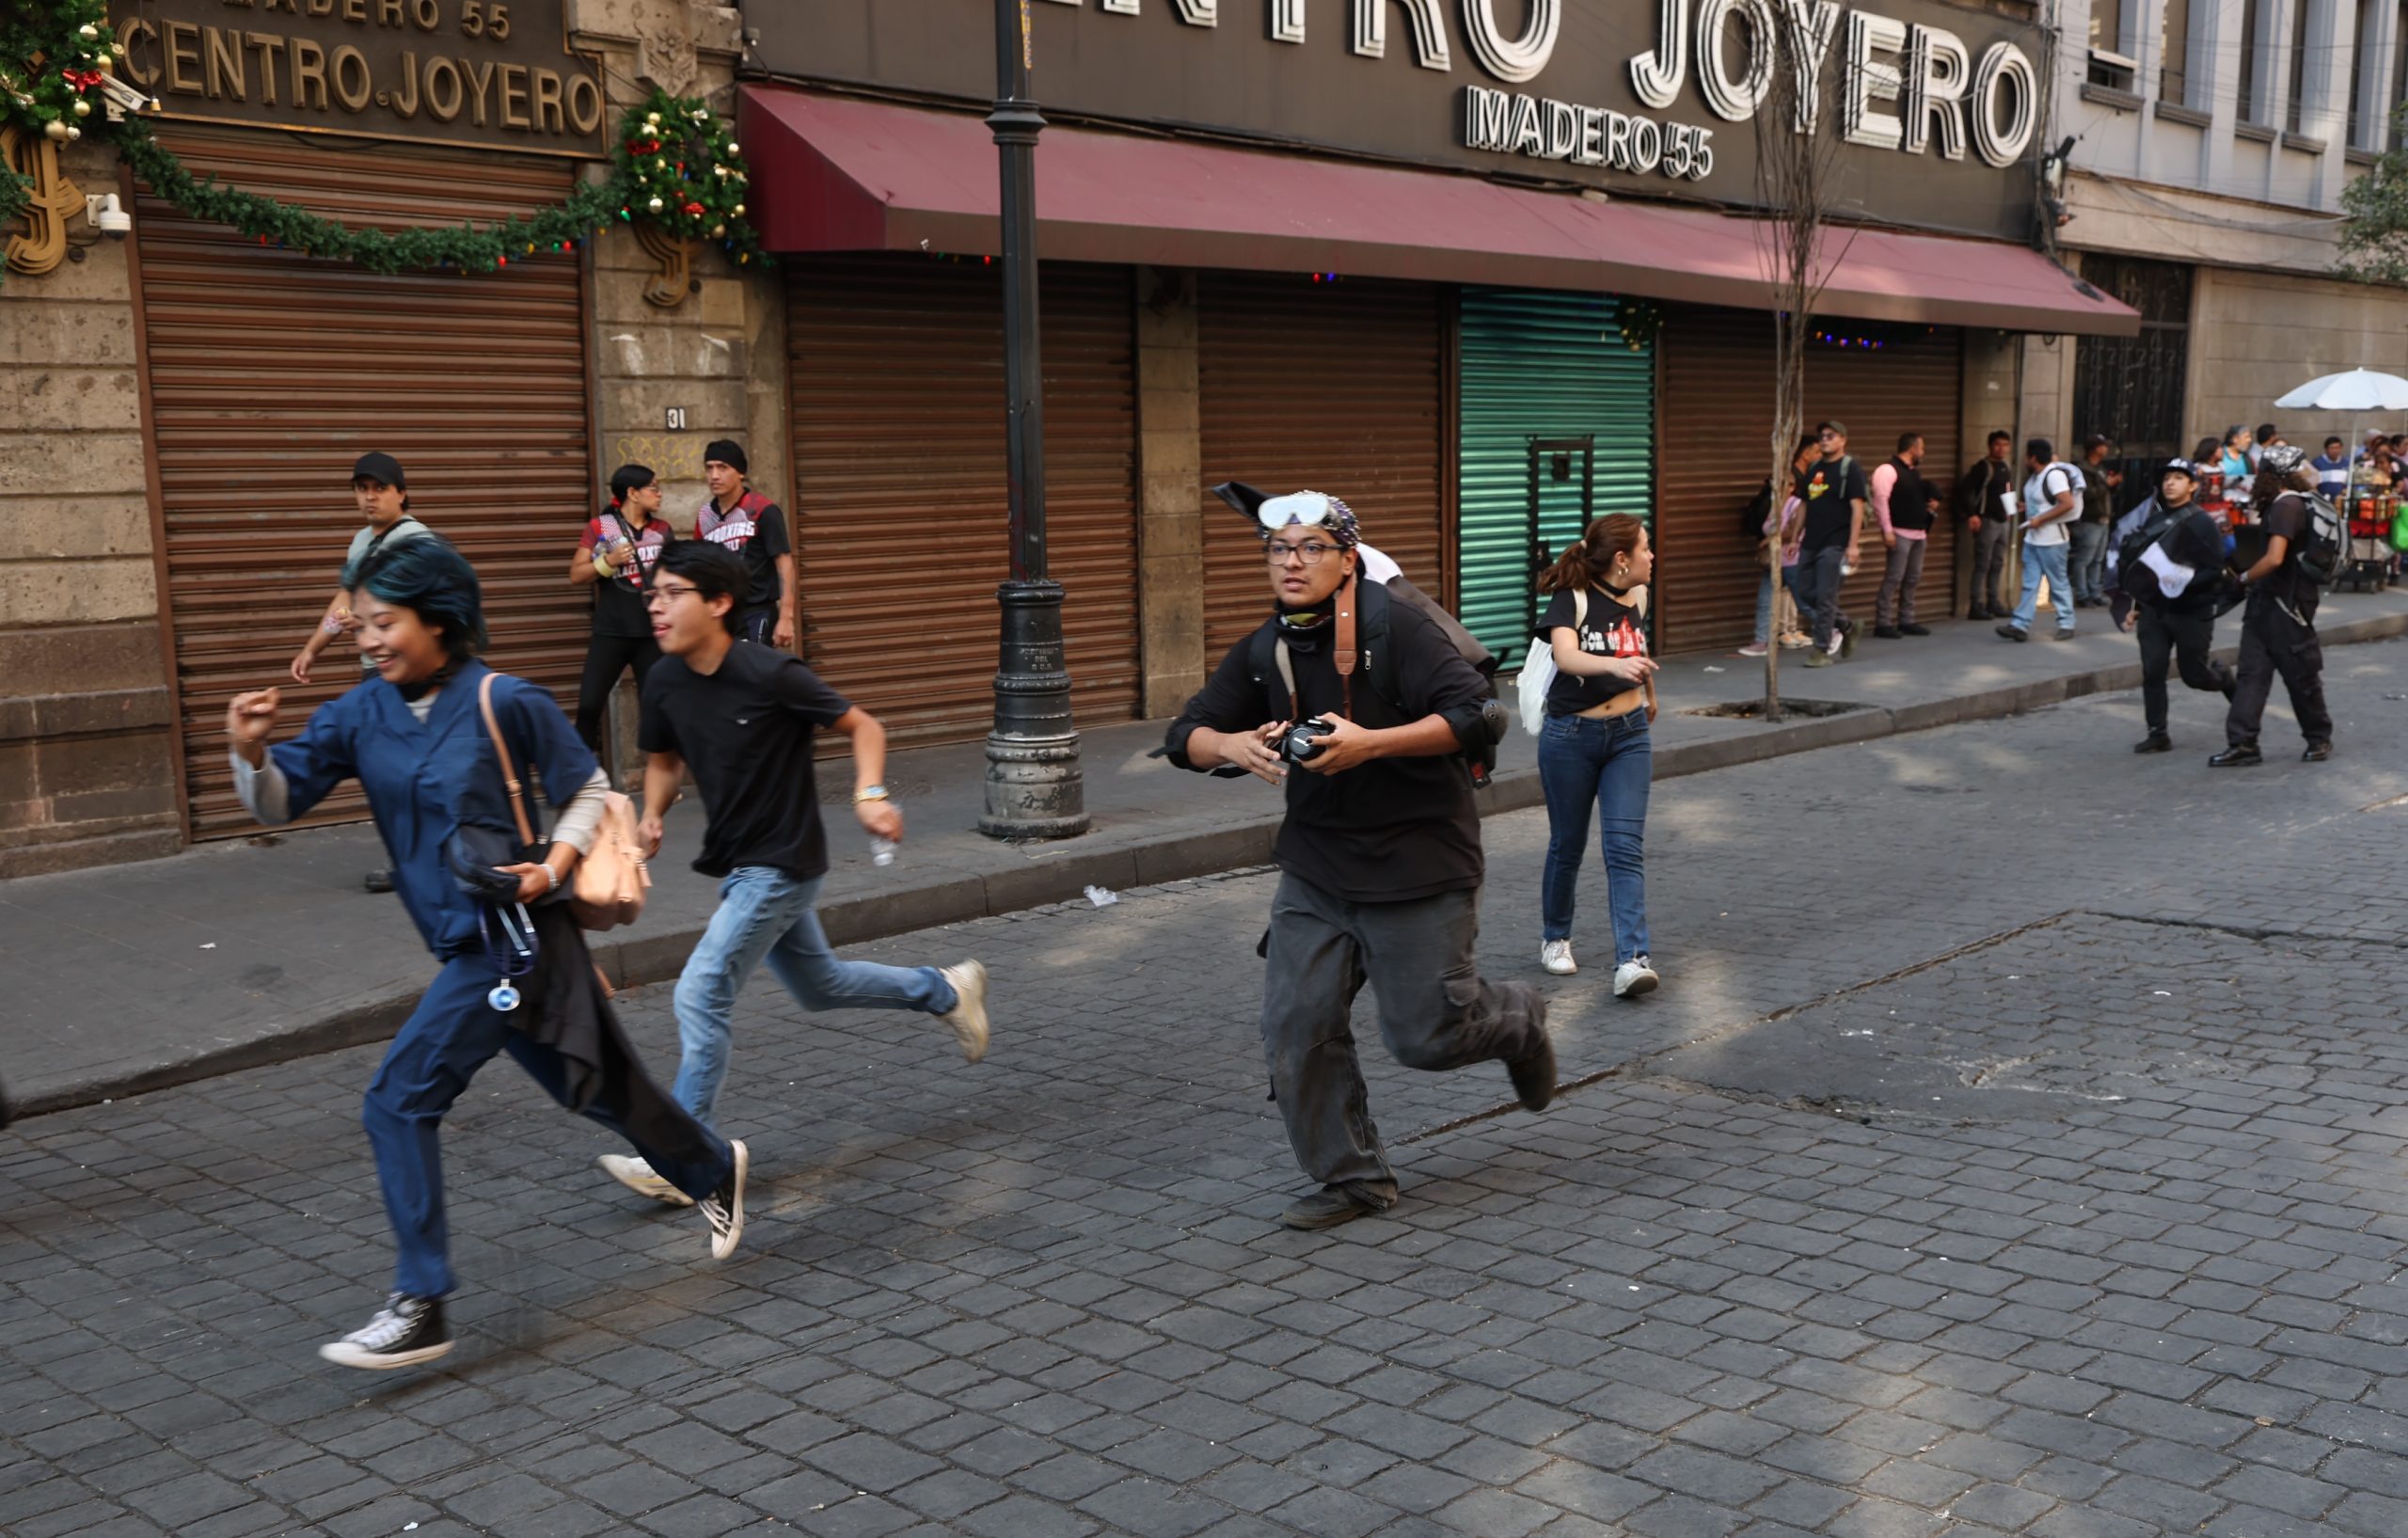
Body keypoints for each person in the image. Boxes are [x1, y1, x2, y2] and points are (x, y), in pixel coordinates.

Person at [226, 537, 748, 1370]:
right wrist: (250, 751)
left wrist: (554, 866)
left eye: (383, 622)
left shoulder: (505, 698)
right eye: (359, 625)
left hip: (514, 941)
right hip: (473, 946)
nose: (368, 640)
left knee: (397, 1100)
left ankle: (421, 1301)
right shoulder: (361, 712)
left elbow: (584, 790)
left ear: (438, 618)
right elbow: (280, 801)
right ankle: (712, 1165)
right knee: (596, 1085)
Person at [1164, 489, 1547, 1231]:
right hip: (1317, 870)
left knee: (1427, 1037)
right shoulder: (1265, 647)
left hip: (1419, 865)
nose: (1293, 562)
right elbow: (1187, 733)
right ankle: (1352, 1178)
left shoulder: (1395, 626)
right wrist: (1232, 746)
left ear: (1347, 559)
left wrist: (1371, 741)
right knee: (1293, 1026)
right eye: (1279, 549)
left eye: (1312, 547)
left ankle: (1520, 1019)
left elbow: (1478, 712)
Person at [596, 541, 991, 1206]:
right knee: (821, 985)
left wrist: (869, 795)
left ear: (719, 603)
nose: (656, 607)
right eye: (651, 595)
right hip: (741, 861)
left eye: (671, 594)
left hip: (782, 861)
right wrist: (652, 813)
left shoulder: (771, 672)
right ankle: (947, 990)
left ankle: (681, 1159)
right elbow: (664, 757)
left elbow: (864, 725)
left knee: (700, 992)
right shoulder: (662, 678)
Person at [1533, 515, 1661, 993]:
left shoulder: (1639, 596)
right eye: (1646, 548)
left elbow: (1637, 648)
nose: (1653, 555)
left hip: (1629, 735)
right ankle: (1555, 937)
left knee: (1624, 848)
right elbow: (1567, 657)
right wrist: (1616, 665)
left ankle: (1632, 959)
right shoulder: (1572, 598)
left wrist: (1650, 691)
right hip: (1571, 738)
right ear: (1622, 559)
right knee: (1568, 845)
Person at [2215, 445, 2335, 766]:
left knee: (2301, 676)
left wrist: (2242, 580)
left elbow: (2274, 558)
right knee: (2252, 674)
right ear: (2289, 473)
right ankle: (2243, 743)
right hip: (2271, 601)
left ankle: (2319, 737)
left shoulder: (2288, 506)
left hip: (2287, 604)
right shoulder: (2284, 504)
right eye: (2303, 466)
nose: (2309, 471)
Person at [2115, 460, 2236, 753]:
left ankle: (2224, 678)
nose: (2170, 483)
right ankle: (2157, 733)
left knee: (2194, 676)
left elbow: (2215, 569)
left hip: (2192, 611)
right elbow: (2142, 569)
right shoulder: (2153, 520)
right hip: (2156, 611)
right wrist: (2134, 605)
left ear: (2192, 486)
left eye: (2179, 478)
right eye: (2167, 478)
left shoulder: (2202, 522)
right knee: (2152, 669)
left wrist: (2180, 581)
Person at [570, 464, 673, 760]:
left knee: (654, 707)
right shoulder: (605, 527)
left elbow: (674, 572)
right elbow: (576, 575)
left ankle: (662, 778)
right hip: (611, 632)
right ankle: (580, 778)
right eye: (653, 487)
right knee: (589, 705)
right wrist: (609, 561)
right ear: (632, 493)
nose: (659, 493)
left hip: (650, 633)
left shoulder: (661, 529)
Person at [695, 441, 797, 648]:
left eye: (722, 467)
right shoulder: (705, 515)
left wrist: (787, 617)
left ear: (740, 472)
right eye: (709, 468)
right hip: (720, 613)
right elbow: (699, 566)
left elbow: (784, 564)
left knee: (755, 674)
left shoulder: (762, 510)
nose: (714, 475)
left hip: (757, 611)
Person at [1796, 420, 1866, 667]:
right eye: (1822, 436)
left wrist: (1853, 545)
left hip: (1836, 543)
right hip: (1811, 541)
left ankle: (1821, 650)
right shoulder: (1814, 468)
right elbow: (1804, 503)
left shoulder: (1850, 469)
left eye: (1830, 436)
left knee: (1825, 596)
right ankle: (1847, 626)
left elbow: (1858, 508)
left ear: (1842, 440)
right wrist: (1795, 537)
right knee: (1804, 592)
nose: (1824, 439)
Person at [1740, 436, 1818, 658]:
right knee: (1765, 601)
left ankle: (1833, 628)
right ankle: (1761, 641)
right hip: (1775, 561)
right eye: (1780, 483)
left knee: (1803, 604)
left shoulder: (1796, 504)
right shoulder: (1773, 506)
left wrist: (1771, 539)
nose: (1784, 488)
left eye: (1788, 484)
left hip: (1791, 560)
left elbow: (1795, 531)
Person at [1999, 439, 2083, 642]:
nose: (2025, 459)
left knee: (2058, 582)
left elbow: (2067, 504)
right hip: (2034, 539)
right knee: (2030, 583)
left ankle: (2066, 623)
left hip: (2053, 540)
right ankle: (2020, 624)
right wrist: (2024, 507)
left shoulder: (2054, 476)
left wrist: (2040, 519)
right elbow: (2042, 504)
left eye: (2027, 455)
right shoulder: (2035, 478)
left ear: (2033, 457)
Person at [1871, 432, 1941, 638]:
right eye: (1922, 448)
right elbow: (1880, 501)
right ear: (1913, 448)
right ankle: (1882, 622)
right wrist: (1887, 531)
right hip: (1899, 533)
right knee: (1894, 577)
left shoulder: (1913, 472)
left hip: (1918, 533)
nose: (1923, 452)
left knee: (1912, 578)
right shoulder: (1888, 470)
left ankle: (1906, 619)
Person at [1956, 431, 2017, 621]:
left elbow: (2007, 492)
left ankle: (1994, 601)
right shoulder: (1983, 468)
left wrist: (2012, 511)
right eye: (1998, 445)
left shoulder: (2005, 468)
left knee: (1998, 563)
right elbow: (1966, 491)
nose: (2002, 449)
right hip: (1987, 521)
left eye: (2005, 445)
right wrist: (1972, 514)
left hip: (2003, 521)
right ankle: (1976, 604)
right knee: (1983, 563)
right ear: (1990, 446)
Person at [2068, 434, 2120, 610]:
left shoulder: (2100, 468)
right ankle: (2082, 594)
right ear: (2095, 448)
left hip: (2102, 519)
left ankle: (2095, 592)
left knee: (2097, 559)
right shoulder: (2083, 469)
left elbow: (2104, 492)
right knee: (2084, 559)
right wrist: (2107, 483)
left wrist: (2111, 485)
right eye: (2103, 446)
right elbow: (2087, 494)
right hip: (2089, 520)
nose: (2106, 449)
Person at [2313, 436, 2352, 501]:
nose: (2335, 451)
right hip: (2323, 500)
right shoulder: (2317, 463)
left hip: (2341, 501)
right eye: (2332, 448)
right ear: (2326, 449)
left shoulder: (2347, 463)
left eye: (2337, 448)